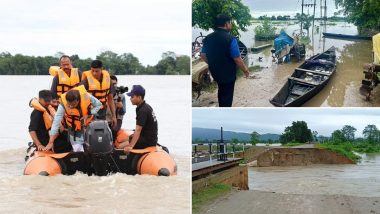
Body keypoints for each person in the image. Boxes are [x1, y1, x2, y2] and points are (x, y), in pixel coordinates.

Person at [200, 14, 250, 107]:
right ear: (226, 24)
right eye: (230, 23)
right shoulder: (231, 38)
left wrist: (212, 63)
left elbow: (202, 55)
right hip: (228, 74)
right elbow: (237, 59)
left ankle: (221, 108)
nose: (231, 25)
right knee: (227, 96)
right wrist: (246, 71)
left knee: (221, 90)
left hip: (215, 72)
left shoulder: (208, 38)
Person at [45, 85, 102, 152]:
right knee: (78, 150)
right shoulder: (63, 104)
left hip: (89, 127)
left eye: (73, 104)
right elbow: (56, 121)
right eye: (69, 104)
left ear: (78, 100)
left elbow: (98, 104)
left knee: (92, 148)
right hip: (74, 130)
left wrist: (89, 114)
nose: (70, 106)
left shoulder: (87, 96)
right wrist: (51, 141)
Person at [124, 85, 158, 174]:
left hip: (148, 141)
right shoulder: (145, 107)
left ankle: (130, 168)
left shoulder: (142, 110)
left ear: (139, 97)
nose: (130, 99)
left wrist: (130, 147)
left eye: (132, 97)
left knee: (131, 139)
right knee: (130, 137)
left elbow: (138, 130)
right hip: (151, 138)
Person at [80, 60, 117, 128]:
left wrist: (114, 116)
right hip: (90, 112)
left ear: (101, 69)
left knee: (100, 131)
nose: (94, 73)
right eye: (92, 71)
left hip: (103, 111)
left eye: (97, 71)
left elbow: (110, 99)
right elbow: (78, 95)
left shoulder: (108, 79)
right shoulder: (86, 81)